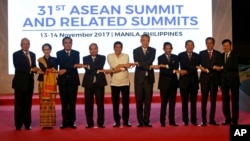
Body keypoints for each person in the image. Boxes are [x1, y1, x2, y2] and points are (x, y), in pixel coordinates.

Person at [12, 38, 40, 130]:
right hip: (20, 83)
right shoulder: (16, 54)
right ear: (21, 45)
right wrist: (31, 69)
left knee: (28, 104)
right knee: (19, 105)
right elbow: (18, 67)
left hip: (29, 83)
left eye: (27, 44)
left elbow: (33, 66)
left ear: (29, 44)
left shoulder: (32, 54)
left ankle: (27, 124)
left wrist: (37, 70)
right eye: (24, 44)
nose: (26, 45)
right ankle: (18, 125)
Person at [133, 34, 158, 127]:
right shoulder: (136, 51)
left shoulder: (153, 50)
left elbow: (149, 60)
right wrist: (149, 66)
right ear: (141, 41)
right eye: (144, 40)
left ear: (149, 41)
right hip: (139, 79)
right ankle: (140, 121)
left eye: (147, 40)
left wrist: (140, 63)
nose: (145, 42)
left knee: (148, 101)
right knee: (139, 101)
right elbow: (137, 62)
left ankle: (147, 120)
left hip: (149, 79)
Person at [56, 37, 82, 129]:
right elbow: (63, 63)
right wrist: (71, 66)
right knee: (64, 102)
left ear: (72, 43)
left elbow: (76, 64)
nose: (68, 44)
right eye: (66, 43)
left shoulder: (76, 53)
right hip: (63, 81)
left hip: (73, 81)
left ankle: (71, 122)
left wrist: (66, 69)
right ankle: (64, 121)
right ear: (63, 44)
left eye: (69, 42)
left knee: (72, 102)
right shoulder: (59, 53)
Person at [82, 43, 107, 128]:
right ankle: (89, 123)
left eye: (95, 48)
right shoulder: (85, 58)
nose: (93, 50)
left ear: (97, 49)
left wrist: (93, 68)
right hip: (88, 84)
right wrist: (98, 71)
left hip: (99, 83)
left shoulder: (102, 57)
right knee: (88, 104)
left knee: (100, 104)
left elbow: (99, 66)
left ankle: (100, 123)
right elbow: (90, 69)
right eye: (91, 49)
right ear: (89, 50)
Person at [107, 41, 132, 127]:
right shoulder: (110, 56)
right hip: (114, 83)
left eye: (119, 47)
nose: (118, 49)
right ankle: (117, 121)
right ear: (114, 48)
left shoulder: (126, 56)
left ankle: (126, 121)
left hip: (125, 82)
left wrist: (119, 67)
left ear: (122, 48)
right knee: (115, 103)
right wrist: (123, 66)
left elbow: (121, 67)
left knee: (126, 103)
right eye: (116, 47)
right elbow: (114, 66)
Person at [198, 37, 222, 126]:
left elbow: (219, 65)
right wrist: (214, 67)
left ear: (213, 44)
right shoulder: (201, 53)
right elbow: (203, 64)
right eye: (207, 43)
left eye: (211, 43)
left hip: (214, 80)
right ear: (205, 44)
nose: (209, 45)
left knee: (213, 101)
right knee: (203, 100)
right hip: (204, 80)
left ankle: (212, 119)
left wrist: (213, 67)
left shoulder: (218, 54)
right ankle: (203, 120)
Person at [178, 40, 200, 126]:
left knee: (193, 103)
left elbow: (195, 67)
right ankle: (185, 120)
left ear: (193, 46)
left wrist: (187, 71)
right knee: (184, 102)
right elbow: (184, 65)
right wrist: (192, 68)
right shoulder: (181, 55)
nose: (190, 47)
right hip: (184, 82)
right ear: (185, 46)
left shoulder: (197, 56)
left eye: (191, 45)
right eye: (188, 45)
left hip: (194, 82)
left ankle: (194, 120)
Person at [158, 42, 179, 127]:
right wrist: (172, 69)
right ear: (164, 49)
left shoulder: (176, 57)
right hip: (164, 84)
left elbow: (176, 67)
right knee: (164, 103)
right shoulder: (160, 57)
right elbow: (163, 71)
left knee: (172, 103)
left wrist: (167, 66)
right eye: (166, 48)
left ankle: (172, 120)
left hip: (173, 83)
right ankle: (162, 121)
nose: (168, 50)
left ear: (172, 48)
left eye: (169, 48)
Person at [220, 39, 240, 125]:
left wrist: (222, 67)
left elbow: (234, 66)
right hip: (224, 82)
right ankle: (227, 119)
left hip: (234, 81)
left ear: (230, 45)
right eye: (224, 46)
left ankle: (234, 120)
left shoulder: (236, 54)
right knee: (225, 101)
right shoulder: (221, 56)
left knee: (235, 101)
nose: (226, 47)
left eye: (227, 45)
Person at [37, 43, 58, 129]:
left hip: (52, 83)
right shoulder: (40, 60)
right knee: (43, 103)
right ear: (43, 50)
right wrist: (50, 69)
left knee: (51, 103)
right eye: (45, 49)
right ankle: (44, 123)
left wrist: (48, 70)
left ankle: (50, 123)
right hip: (43, 83)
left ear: (50, 50)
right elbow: (44, 69)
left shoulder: (55, 59)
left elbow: (54, 69)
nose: (46, 51)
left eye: (48, 49)